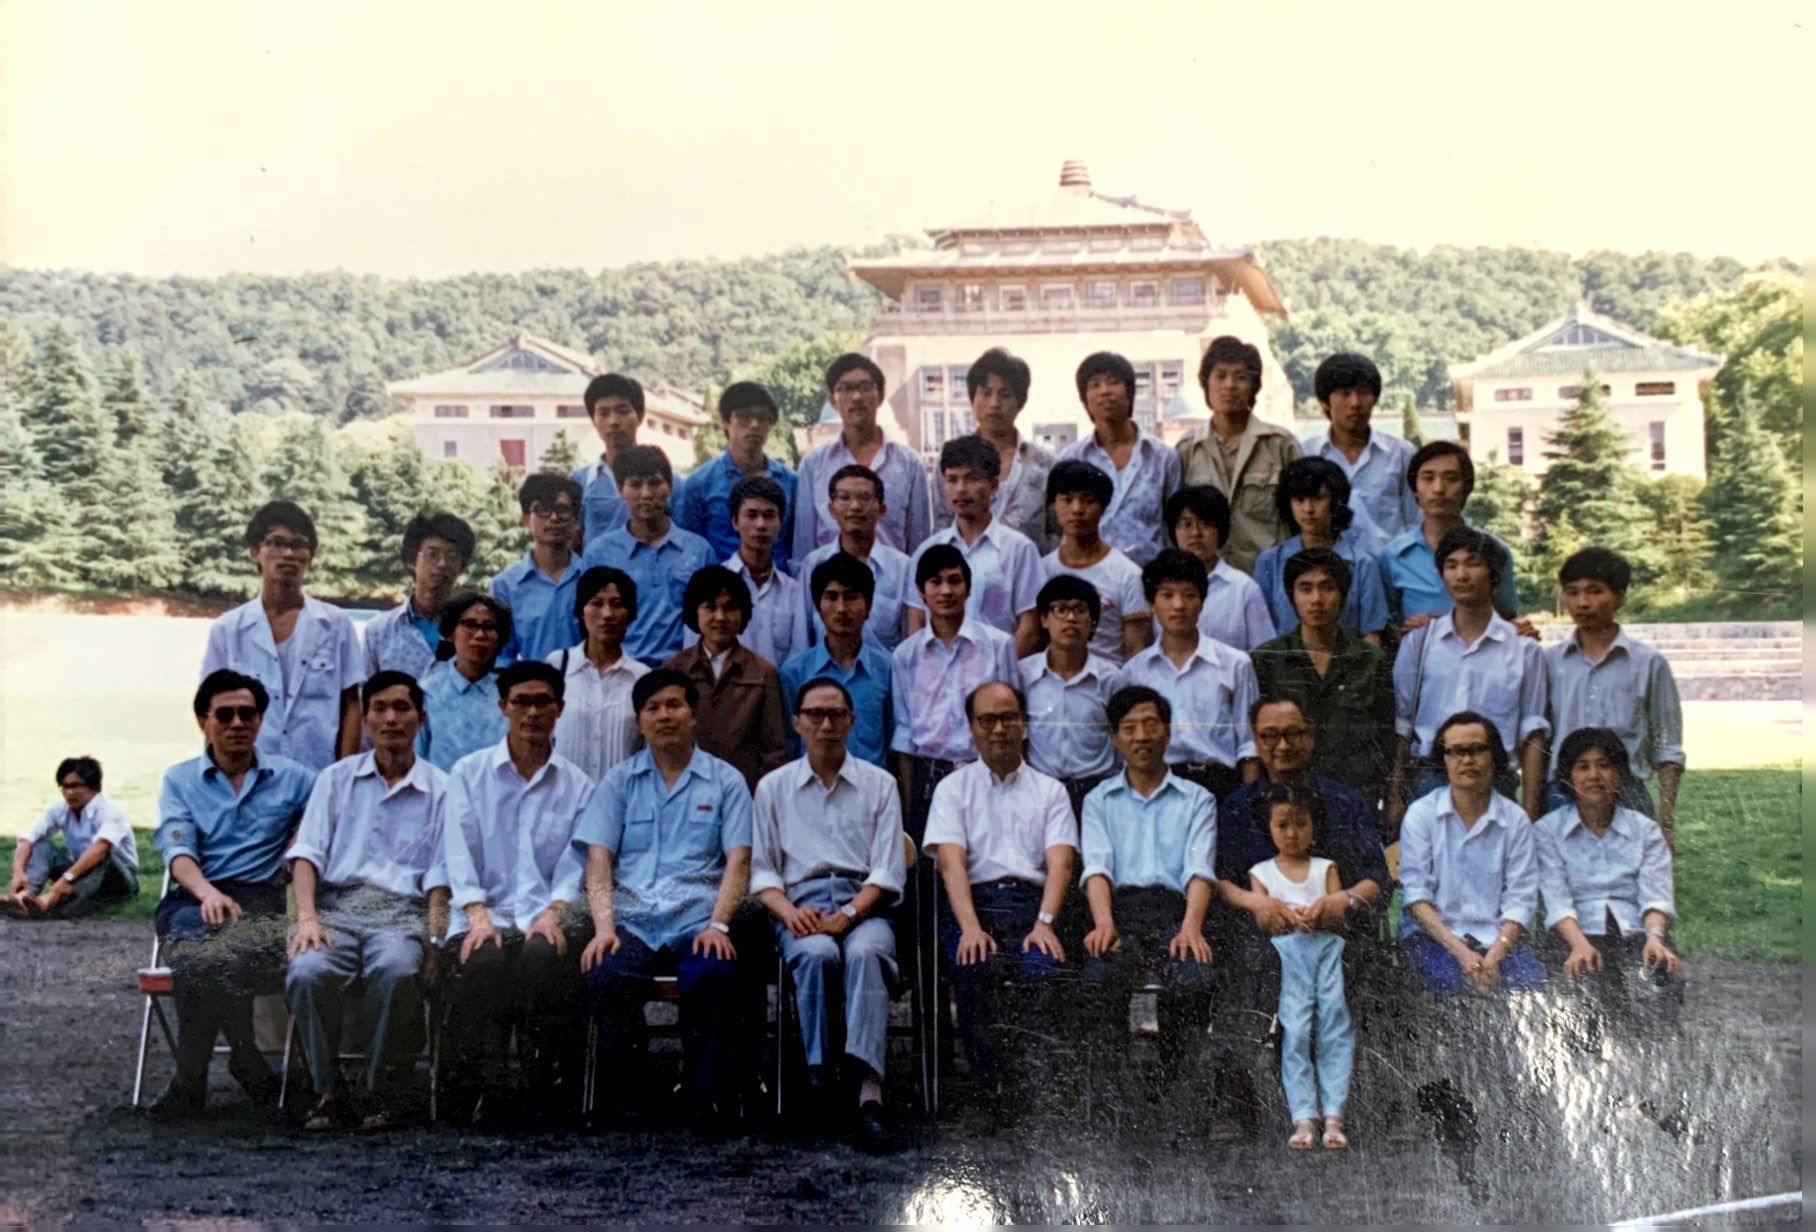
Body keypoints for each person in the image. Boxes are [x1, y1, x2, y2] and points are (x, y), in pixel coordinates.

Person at [575, 669, 753, 1131]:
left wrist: (719, 925)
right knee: (604, 969)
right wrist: (604, 928)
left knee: (714, 970)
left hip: (697, 919)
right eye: (652, 708)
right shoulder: (618, 782)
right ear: (639, 721)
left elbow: (739, 861)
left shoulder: (726, 781)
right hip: (633, 919)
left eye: (674, 705)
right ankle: (635, 1094)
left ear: (693, 714)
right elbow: (598, 859)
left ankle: (701, 1094)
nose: (664, 715)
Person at [1213, 695, 1388, 1140]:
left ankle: (1363, 1103)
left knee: (1368, 974)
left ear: (1310, 736)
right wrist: (1259, 905)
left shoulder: (1344, 801)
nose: (1283, 745)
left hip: (1334, 932)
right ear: (1255, 742)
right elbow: (1221, 880)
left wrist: (1342, 901)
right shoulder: (1237, 807)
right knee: (1245, 968)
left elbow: (1376, 878)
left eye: (1293, 734)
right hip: (1265, 935)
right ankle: (1238, 1101)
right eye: (1270, 736)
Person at [147, 669, 318, 1119]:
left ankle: (190, 1081)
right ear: (203, 721)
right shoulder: (180, 780)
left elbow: (327, 822)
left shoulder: (295, 779)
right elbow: (178, 853)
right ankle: (246, 1057)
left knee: (208, 954)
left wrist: (300, 842)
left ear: (260, 721)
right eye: (225, 715)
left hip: (259, 900)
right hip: (194, 897)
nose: (238, 723)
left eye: (248, 714)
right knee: (204, 943)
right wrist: (207, 894)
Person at [283, 671, 448, 1130]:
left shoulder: (442, 788)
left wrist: (435, 941)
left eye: (402, 708)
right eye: (380, 708)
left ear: (421, 718)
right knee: (307, 971)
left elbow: (441, 876)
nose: (391, 718)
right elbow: (305, 856)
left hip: (402, 914)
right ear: (367, 718)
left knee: (397, 971)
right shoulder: (335, 780)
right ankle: (327, 1089)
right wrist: (307, 918)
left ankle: (381, 1089)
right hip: (334, 910)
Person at [751, 677, 906, 1152]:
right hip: (800, 901)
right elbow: (762, 870)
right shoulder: (774, 787)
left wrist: (851, 913)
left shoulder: (880, 784)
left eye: (836, 714)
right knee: (817, 953)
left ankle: (867, 1092)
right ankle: (819, 1078)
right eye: (815, 715)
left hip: (866, 901)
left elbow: (888, 868)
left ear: (852, 722)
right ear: (797, 723)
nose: (826, 725)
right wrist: (787, 911)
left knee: (866, 952)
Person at [440, 661, 595, 1125]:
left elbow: (575, 862)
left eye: (542, 702)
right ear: (502, 706)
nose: (532, 712)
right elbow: (458, 851)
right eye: (521, 702)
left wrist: (554, 912)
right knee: (484, 958)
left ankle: (537, 1085)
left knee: (542, 956)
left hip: (550, 914)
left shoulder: (578, 784)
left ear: (560, 708)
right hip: (480, 912)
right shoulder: (469, 773)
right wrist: (477, 914)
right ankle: (486, 1089)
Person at [924, 682, 1077, 1105]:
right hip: (974, 906)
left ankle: (1035, 1092)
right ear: (971, 727)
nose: (998, 729)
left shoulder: (1050, 790)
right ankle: (989, 1091)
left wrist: (1044, 923)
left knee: (1041, 968)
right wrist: (970, 927)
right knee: (974, 965)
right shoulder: (952, 789)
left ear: (1024, 724)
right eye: (987, 720)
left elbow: (1061, 863)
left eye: (1008, 718)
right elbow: (951, 864)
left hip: (1033, 908)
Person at [1077, 686, 1217, 1131]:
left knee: (1194, 980)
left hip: (1178, 912)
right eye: (1130, 728)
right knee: (1099, 979)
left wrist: (1191, 927)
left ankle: (1174, 1093)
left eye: (1151, 725)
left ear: (1168, 732)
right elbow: (1097, 867)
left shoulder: (1197, 798)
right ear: (1115, 737)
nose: (1141, 737)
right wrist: (1104, 923)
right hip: (1119, 912)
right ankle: (1112, 1102)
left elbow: (1199, 869)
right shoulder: (1099, 800)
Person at [1388, 528, 1549, 825]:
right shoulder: (1420, 642)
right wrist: (1395, 795)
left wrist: (1529, 812)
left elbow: (1533, 733)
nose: (1461, 575)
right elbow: (1403, 723)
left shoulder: (1524, 650)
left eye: (1472, 563)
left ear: (1494, 575)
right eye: (1451, 565)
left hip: (1497, 782)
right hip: (1430, 779)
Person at [1534, 727, 1682, 1027]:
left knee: (1658, 982)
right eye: (1583, 767)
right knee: (1580, 1006)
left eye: (1604, 765)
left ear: (1620, 775)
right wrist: (1578, 944)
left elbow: (1657, 895)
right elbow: (1555, 899)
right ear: (1568, 777)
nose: (1594, 776)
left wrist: (1655, 939)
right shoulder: (1547, 831)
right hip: (1571, 934)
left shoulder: (1645, 830)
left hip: (1634, 933)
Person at [201, 501, 363, 770]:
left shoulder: (336, 626)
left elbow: (351, 706)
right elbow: (210, 709)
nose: (288, 554)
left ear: (309, 556)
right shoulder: (228, 630)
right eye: (276, 543)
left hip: (318, 774)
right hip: (252, 775)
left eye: (298, 545)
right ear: (255, 552)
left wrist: (344, 777)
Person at [1397, 711, 1544, 997]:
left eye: (1476, 750)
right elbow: (1417, 898)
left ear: (1494, 756)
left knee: (1530, 985)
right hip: (1435, 940)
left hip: (1499, 942)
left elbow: (1521, 898)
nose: (1466, 760)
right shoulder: (1421, 815)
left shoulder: (1515, 820)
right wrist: (1464, 956)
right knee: (1447, 982)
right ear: (1443, 759)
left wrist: (1494, 957)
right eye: (1456, 751)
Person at [1545, 547, 1684, 841]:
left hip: (1626, 795)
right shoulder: (1550, 663)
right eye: (1572, 592)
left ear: (1619, 597)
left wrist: (1666, 822)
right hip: (1562, 796)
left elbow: (1668, 746)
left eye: (1595, 591)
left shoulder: (1648, 663)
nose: (1582, 603)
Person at [889, 544, 1020, 844]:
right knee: (931, 865)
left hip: (986, 772)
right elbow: (905, 735)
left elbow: (1015, 724)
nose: (946, 591)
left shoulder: (998, 645)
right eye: (935, 582)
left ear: (968, 588)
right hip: (929, 776)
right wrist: (908, 806)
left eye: (954, 580)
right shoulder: (906, 655)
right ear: (920, 591)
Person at [1247, 783, 1354, 1151]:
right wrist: (1285, 916)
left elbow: (1337, 916)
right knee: (1295, 1030)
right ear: (1269, 828)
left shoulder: (1325, 868)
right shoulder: (1262, 872)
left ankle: (1334, 1115)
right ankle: (1303, 1116)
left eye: (1300, 824)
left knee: (1334, 1023)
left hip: (1325, 951)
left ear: (1312, 826)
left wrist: (1320, 914)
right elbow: (1263, 919)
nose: (1292, 833)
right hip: (1288, 956)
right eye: (1282, 825)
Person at [1250, 550, 1395, 804]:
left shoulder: (1371, 660)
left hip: (1356, 798)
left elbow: (1387, 735)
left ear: (1343, 595)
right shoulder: (1267, 659)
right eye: (1305, 589)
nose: (1316, 599)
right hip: (1288, 800)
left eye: (1327, 588)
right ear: (1292, 597)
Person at [1120, 550, 1260, 801]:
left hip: (1220, 786)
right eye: (1167, 595)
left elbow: (1248, 745)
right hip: (1158, 786)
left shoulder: (1235, 664)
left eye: (1189, 595)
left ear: (1202, 601)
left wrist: (1249, 804)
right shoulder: (1134, 672)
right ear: (1151, 604)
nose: (1178, 606)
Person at [906, 435, 1043, 656]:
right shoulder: (927, 552)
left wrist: (997, 671)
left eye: (971, 479)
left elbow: (1029, 628)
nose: (961, 489)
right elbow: (917, 622)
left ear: (994, 485)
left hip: (999, 672)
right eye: (952, 480)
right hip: (940, 673)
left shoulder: (1019, 550)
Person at [580, 444, 716, 666]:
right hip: (620, 671)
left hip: (684, 672)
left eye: (654, 483)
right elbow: (587, 624)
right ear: (620, 489)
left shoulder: (699, 551)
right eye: (635, 484)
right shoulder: (600, 554)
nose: (646, 493)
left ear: (669, 486)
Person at [1174, 336, 1301, 573]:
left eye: (1240, 377)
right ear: (1206, 384)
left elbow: (1301, 520)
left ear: (1254, 386)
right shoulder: (1187, 450)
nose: (1230, 385)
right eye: (1220, 376)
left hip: (1268, 578)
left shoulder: (1281, 446)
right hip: (1207, 582)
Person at [662, 565, 789, 793]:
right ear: (695, 611)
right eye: (710, 607)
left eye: (730, 607)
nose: (720, 617)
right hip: (684, 794)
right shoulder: (674, 670)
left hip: (743, 796)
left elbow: (774, 752)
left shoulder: (763, 673)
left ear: (743, 613)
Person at [793, 353, 930, 559]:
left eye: (865, 388)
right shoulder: (813, 465)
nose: (856, 397)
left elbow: (920, 544)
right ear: (832, 400)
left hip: (892, 579)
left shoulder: (910, 464)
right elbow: (803, 547)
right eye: (846, 389)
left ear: (881, 395)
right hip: (831, 577)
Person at [1378, 441, 1521, 628]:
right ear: (1414, 490)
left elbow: (1508, 617)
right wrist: (1409, 631)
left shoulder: (1493, 550)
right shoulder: (1394, 555)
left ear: (1466, 489)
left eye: (1451, 478)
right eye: (1428, 478)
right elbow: (1386, 625)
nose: (1438, 489)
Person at [1056, 351, 1180, 565]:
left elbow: (1174, 528)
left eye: (1113, 382)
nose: (1105, 391)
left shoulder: (1163, 457)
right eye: (1094, 385)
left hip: (1150, 577)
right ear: (1085, 400)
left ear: (1130, 393)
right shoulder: (1072, 459)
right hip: (1089, 577)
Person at [931, 348, 1056, 552]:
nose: (994, 404)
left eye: (1005, 395)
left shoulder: (1045, 464)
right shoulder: (951, 460)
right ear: (973, 398)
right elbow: (941, 523)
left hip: (1025, 568)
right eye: (986, 393)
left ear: (1020, 402)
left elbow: (1055, 533)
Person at [1252, 458, 1390, 640]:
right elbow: (1261, 631)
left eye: (1318, 498)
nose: (1308, 509)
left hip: (1348, 658)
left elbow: (1371, 635)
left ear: (1336, 501)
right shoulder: (1270, 562)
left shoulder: (1362, 564)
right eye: (1299, 500)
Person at [780, 552, 895, 769]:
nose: (841, 608)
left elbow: (892, 740)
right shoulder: (795, 672)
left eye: (851, 596)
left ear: (868, 606)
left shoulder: (887, 670)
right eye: (831, 597)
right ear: (818, 608)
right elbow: (790, 743)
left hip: (871, 786)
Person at [1021, 575, 1124, 819]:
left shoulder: (1111, 679)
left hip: (1097, 793)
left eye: (1080, 610)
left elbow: (1122, 744)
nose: (1070, 618)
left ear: (1093, 622)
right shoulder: (1024, 675)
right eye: (1060, 610)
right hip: (1040, 793)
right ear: (1044, 619)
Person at [672, 381, 798, 570]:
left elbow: (796, 542)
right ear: (725, 422)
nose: (754, 425)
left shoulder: (791, 482)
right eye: (744, 417)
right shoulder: (699, 484)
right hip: (721, 585)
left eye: (763, 418)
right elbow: (687, 546)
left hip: (779, 584)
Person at [792, 464, 913, 652]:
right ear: (831, 509)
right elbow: (801, 638)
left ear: (882, 509)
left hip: (884, 670)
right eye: (844, 498)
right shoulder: (814, 564)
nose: (855, 506)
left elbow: (909, 642)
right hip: (824, 670)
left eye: (865, 497)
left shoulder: (903, 568)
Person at [1299, 352, 1419, 540]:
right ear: (1325, 402)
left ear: (1375, 399)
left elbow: (1415, 522)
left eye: (1363, 393)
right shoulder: (1306, 454)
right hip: (1328, 558)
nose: (1355, 403)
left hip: (1388, 559)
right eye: (1344, 393)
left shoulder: (1401, 454)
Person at [548, 566, 650, 785]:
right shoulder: (557, 666)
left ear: (629, 614)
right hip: (564, 800)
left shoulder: (642, 678)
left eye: (617, 604)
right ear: (581, 611)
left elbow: (647, 751)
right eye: (596, 603)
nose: (607, 614)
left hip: (622, 800)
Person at [1042, 459, 1150, 664]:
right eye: (1067, 499)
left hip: (1109, 680)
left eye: (1088, 500)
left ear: (1103, 507)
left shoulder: (1128, 574)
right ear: (1053, 505)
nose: (1077, 509)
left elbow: (1135, 651)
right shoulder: (1041, 570)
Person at [2, 757, 139, 919]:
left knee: (103, 855)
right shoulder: (60, 809)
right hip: (81, 873)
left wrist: (66, 879)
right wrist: (18, 872)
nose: (69, 792)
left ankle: (47, 902)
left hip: (118, 880)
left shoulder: (110, 811)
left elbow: (100, 849)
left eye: (75, 786)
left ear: (93, 787)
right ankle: (23, 898)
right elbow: (27, 838)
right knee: (41, 846)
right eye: (65, 786)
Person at [690, 475, 800, 670]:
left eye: (769, 515)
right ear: (735, 522)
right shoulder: (707, 586)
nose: (760, 525)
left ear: (780, 524)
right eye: (751, 515)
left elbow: (800, 656)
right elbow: (694, 655)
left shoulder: (794, 592)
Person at [361, 511, 476, 680]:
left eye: (452, 557)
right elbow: (366, 690)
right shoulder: (379, 631)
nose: (442, 564)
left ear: (462, 567)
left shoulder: (474, 630)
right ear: (412, 560)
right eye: (433, 554)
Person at [488, 472, 586, 664]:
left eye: (562, 510)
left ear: (575, 519)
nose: (554, 518)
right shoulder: (505, 586)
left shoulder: (592, 577)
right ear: (526, 519)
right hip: (530, 681)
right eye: (543, 509)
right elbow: (502, 657)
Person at [1163, 486, 1275, 653]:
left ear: (1220, 530)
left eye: (1206, 524)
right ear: (1174, 530)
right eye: (1187, 524)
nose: (1195, 533)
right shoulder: (1160, 588)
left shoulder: (1243, 588)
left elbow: (1265, 654)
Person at [417, 593, 510, 773]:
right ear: (451, 633)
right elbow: (416, 758)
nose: (480, 635)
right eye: (470, 625)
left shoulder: (509, 693)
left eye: (489, 627)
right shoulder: (427, 692)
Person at [571, 372, 646, 544]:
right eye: (603, 413)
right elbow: (573, 544)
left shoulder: (667, 481)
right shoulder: (579, 482)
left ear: (640, 415)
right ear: (593, 420)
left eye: (623, 411)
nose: (613, 421)